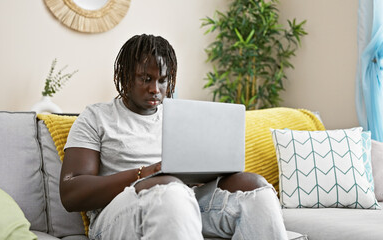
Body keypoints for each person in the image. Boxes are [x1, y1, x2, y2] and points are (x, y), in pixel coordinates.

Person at [60, 34, 288, 240]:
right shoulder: (96, 117)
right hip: (117, 217)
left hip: (182, 201)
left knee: (256, 190)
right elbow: (72, 194)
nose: (155, 89)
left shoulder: (180, 116)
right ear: (124, 75)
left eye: (162, 80)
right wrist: (143, 174)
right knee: (169, 188)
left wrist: (211, 170)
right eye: (145, 78)